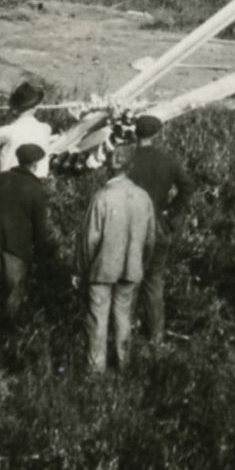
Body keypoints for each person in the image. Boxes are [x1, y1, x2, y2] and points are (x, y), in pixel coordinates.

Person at [0, 142, 58, 330]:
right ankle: (7, 326)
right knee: (15, 287)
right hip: (17, 245)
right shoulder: (36, 189)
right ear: (34, 165)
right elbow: (39, 225)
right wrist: (40, 250)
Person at [124, 113, 199, 345]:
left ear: (135, 133)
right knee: (154, 282)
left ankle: (124, 334)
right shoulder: (167, 160)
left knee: (128, 281)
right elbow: (188, 186)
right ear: (157, 134)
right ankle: (156, 336)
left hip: (129, 226)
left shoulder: (126, 160)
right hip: (157, 225)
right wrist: (170, 212)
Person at [80, 153, 157, 373]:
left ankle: (96, 369)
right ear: (129, 168)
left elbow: (89, 239)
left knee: (98, 318)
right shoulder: (143, 197)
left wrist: (82, 267)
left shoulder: (102, 197)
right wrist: (142, 263)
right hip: (132, 266)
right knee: (123, 316)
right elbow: (150, 238)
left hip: (102, 268)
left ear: (108, 168)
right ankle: (124, 364)